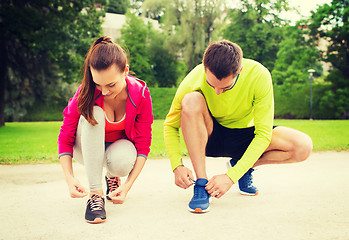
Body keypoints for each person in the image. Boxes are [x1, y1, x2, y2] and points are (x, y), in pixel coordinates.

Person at [163, 40, 313, 213]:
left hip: (246, 137)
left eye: (225, 87)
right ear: (204, 68)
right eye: (212, 85)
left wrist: (231, 177)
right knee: (190, 99)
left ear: (239, 71)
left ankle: (243, 167)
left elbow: (263, 134)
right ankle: (202, 184)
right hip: (211, 135)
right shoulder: (193, 77)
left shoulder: (259, 75)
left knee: (303, 146)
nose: (218, 92)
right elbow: (170, 125)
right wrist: (177, 165)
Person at [58, 36, 153, 223]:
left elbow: (143, 145)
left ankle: (112, 177)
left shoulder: (140, 94)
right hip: (85, 149)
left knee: (125, 158)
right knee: (95, 113)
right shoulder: (86, 91)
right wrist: (69, 178)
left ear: (125, 71)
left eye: (111, 84)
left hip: (113, 151)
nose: (104, 91)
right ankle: (95, 195)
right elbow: (65, 136)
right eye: (98, 84)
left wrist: (127, 186)